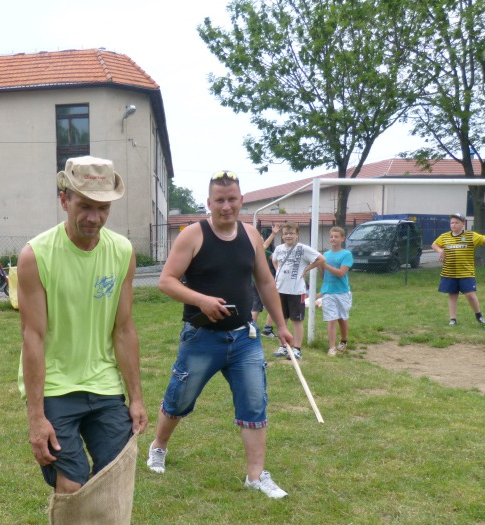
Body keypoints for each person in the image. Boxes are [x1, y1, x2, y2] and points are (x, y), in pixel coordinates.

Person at [18, 155, 156, 525]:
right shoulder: (35, 255)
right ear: (64, 199)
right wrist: (36, 418)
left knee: (115, 478)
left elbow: (124, 329)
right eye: (85, 205)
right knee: (73, 484)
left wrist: (136, 396)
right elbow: (33, 338)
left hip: (104, 384)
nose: (94, 217)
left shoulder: (122, 253)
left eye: (103, 207)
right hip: (57, 386)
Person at [145, 169, 292, 500]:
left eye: (232, 199)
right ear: (208, 203)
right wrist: (201, 300)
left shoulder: (252, 235)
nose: (227, 206)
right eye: (220, 200)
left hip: (245, 339)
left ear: (241, 200)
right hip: (201, 337)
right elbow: (166, 280)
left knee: (254, 402)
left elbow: (265, 282)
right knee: (179, 398)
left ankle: (255, 476)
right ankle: (159, 445)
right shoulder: (193, 235)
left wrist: (281, 325)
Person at [431, 213, 485, 326]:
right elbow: (434, 245)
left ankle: (479, 315)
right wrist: (441, 251)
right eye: (452, 222)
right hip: (449, 272)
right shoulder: (445, 236)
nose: (454, 225)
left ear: (463, 224)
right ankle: (453, 319)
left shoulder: (471, 236)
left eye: (457, 222)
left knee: (470, 295)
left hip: (466, 272)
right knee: (452, 295)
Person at [271, 223, 324, 359]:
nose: (288, 236)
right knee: (282, 320)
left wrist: (306, 269)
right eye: (286, 234)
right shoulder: (279, 248)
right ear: (282, 236)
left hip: (296, 291)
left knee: (296, 320)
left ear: (297, 234)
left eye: (291, 233)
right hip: (280, 289)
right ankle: (283, 347)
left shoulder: (303, 249)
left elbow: (321, 259)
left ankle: (297, 349)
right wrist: (278, 271)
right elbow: (274, 260)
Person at [319, 226, 353, 355]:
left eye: (336, 236)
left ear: (342, 238)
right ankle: (332, 347)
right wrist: (319, 266)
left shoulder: (346, 254)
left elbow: (340, 273)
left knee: (342, 318)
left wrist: (324, 265)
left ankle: (343, 341)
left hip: (342, 292)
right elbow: (323, 276)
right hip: (328, 292)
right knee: (331, 318)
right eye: (331, 236)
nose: (333, 239)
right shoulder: (325, 255)